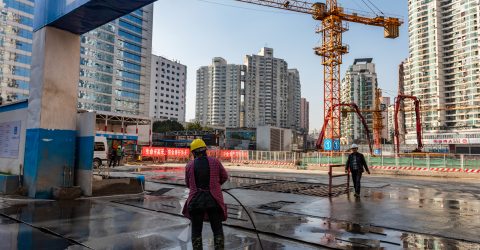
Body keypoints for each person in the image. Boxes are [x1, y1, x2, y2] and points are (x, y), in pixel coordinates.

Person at [182, 139, 228, 250]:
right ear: (205, 150)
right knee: (217, 229)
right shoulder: (215, 162)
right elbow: (224, 176)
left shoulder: (189, 165)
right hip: (214, 200)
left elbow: (188, 184)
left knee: (196, 231)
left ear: (193, 153)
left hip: (196, 201)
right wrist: (215, 186)